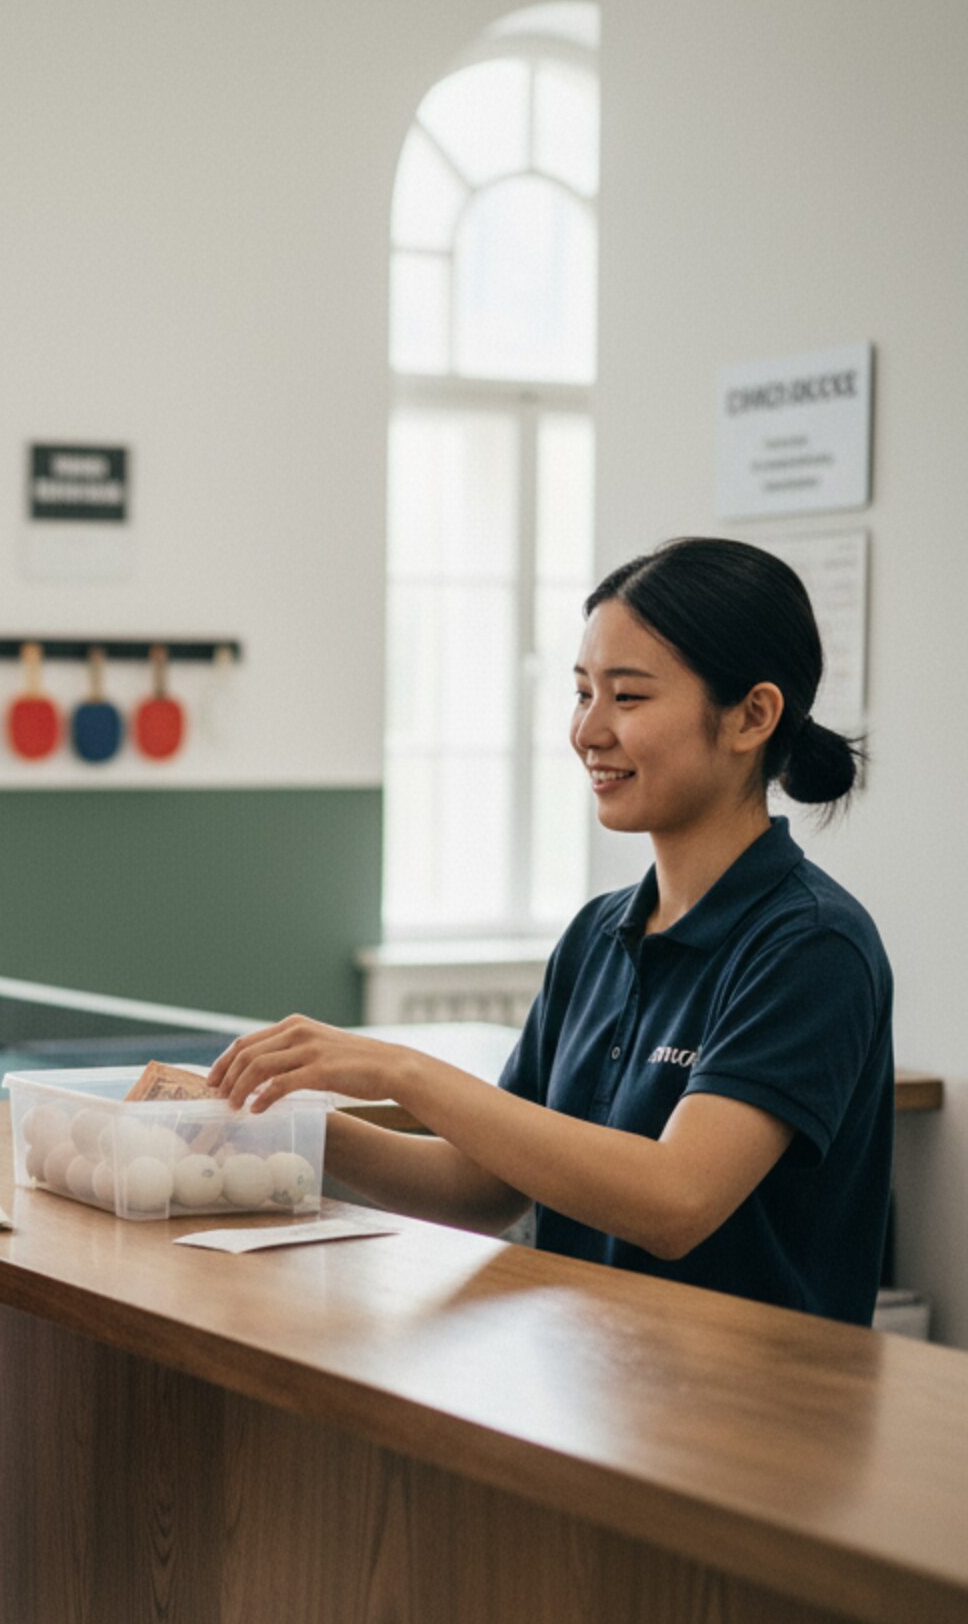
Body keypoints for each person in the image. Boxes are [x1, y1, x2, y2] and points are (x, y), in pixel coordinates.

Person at [209, 535, 892, 1326]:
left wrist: (403, 1071)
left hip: (751, 1397)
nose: (587, 732)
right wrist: (278, 1125)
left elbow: (677, 1200)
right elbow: (486, 1188)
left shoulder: (812, 945)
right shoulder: (597, 934)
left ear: (752, 716)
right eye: (582, 693)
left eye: (627, 697)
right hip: (588, 1373)